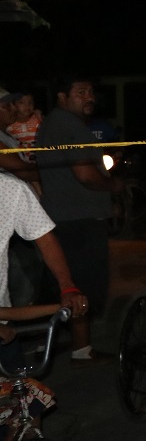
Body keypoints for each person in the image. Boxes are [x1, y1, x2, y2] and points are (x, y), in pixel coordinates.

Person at [35, 74, 122, 367]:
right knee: (82, 284)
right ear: (62, 96)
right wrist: (114, 186)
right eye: (81, 92)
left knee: (67, 281)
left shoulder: (52, 124)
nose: (89, 97)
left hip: (62, 218)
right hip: (78, 220)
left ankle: (53, 344)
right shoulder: (68, 125)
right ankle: (81, 349)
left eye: (91, 92)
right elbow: (84, 174)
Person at [0, 173, 90, 374]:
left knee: (25, 398)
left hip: (3, 318)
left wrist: (68, 288)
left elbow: (45, 239)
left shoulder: (9, 188)